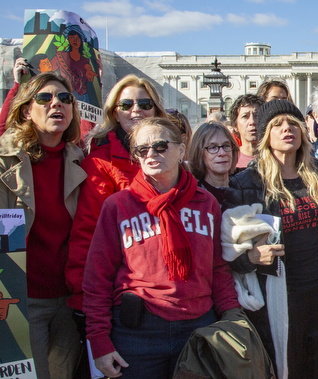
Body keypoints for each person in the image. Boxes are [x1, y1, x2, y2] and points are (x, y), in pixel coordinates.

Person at [82, 117, 240, 379]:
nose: (151, 154)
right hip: (137, 332)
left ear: (181, 149)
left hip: (198, 326)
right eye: (142, 150)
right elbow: (97, 278)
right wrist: (99, 341)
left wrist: (233, 317)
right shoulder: (118, 206)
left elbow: (218, 269)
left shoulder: (206, 203)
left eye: (160, 146)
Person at [223, 99, 318, 379]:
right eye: (277, 125)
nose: (287, 129)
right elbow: (226, 251)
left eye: (292, 124)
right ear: (265, 135)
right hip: (278, 297)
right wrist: (248, 259)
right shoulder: (246, 184)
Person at [0, 72, 85, 379]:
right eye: (44, 98)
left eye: (64, 99)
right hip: (20, 297)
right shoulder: (4, 160)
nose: (56, 104)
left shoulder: (81, 161)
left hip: (68, 298)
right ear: (26, 109)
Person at [66, 75, 167, 315]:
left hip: (168, 290)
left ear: (155, 110)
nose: (136, 111)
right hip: (122, 294)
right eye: (126, 105)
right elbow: (87, 234)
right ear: (114, 112)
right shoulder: (99, 163)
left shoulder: (172, 161)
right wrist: (85, 300)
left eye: (145, 104)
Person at [187, 121, 239, 203]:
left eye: (226, 146)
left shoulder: (245, 187)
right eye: (212, 147)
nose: (222, 153)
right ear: (199, 153)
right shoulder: (193, 195)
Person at [230, 94, 264, 170]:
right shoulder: (229, 161)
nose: (252, 122)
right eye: (245, 116)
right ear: (235, 126)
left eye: (257, 115)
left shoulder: (277, 158)